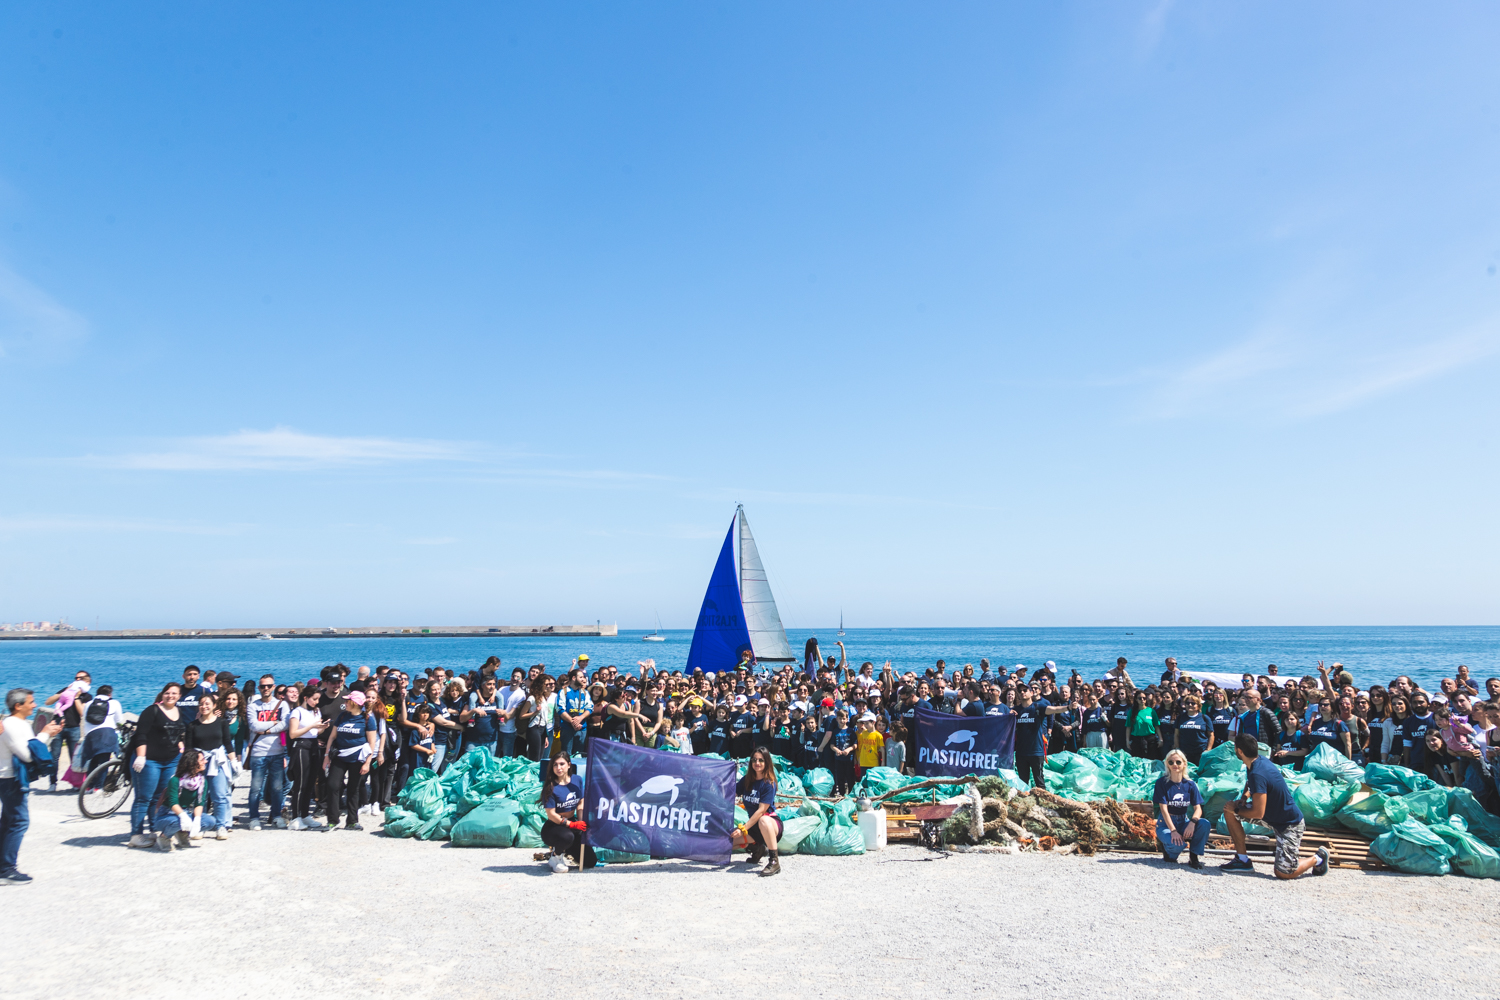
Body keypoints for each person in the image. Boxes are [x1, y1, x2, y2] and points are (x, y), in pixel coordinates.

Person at [1220, 733, 1328, 878]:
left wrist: (1238, 809)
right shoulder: (1255, 762)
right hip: (1272, 816)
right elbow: (1250, 784)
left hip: (1289, 825)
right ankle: (1242, 860)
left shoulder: (1258, 772)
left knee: (1283, 873)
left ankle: (1318, 858)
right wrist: (1244, 798)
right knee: (1229, 811)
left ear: (1240, 751)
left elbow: (1258, 813)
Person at [2, 689, 64, 884]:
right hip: (10, 778)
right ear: (18, 706)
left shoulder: (18, 724)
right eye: (31, 702)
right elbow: (28, 755)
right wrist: (45, 733)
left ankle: (3, 864)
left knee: (8, 821)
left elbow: (34, 748)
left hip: (10, 777)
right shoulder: (11, 725)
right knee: (19, 822)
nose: (35, 705)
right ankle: (6, 869)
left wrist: (49, 734)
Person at [128, 683, 186, 849]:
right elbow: (141, 734)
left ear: (179, 696)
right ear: (162, 694)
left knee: (159, 798)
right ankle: (136, 834)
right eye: (167, 693)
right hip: (150, 760)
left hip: (170, 760)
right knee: (143, 798)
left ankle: (154, 829)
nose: (170, 696)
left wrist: (180, 746)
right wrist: (140, 756)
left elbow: (177, 732)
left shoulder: (178, 711)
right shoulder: (152, 710)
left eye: (174, 693)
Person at [323, 690, 378, 831]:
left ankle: (352, 821)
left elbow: (372, 742)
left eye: (348, 701)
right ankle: (333, 820)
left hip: (357, 758)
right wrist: (326, 756)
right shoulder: (342, 716)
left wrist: (367, 763)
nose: (345, 703)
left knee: (353, 789)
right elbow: (332, 737)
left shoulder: (367, 719)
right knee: (332, 785)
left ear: (355, 703)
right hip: (340, 756)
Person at [153, 749, 228, 850]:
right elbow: (173, 802)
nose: (205, 761)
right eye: (202, 760)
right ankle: (164, 837)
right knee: (178, 821)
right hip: (166, 815)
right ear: (192, 763)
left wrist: (196, 820)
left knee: (210, 821)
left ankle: (182, 833)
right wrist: (183, 817)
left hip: (185, 811)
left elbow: (199, 803)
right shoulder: (175, 780)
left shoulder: (201, 781)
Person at [186, 693, 237, 836]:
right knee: (198, 795)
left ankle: (221, 825)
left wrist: (234, 762)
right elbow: (189, 748)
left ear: (214, 706)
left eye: (207, 704)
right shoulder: (192, 725)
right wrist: (190, 765)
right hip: (199, 763)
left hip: (217, 761)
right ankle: (200, 825)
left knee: (219, 795)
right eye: (201, 704)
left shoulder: (221, 723)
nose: (204, 707)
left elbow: (227, 743)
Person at [245, 675, 289, 830]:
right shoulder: (252, 706)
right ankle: (254, 818)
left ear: (273, 687)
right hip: (258, 752)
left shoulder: (282, 705)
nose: (265, 689)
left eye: (268, 686)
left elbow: (285, 724)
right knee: (255, 787)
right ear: (259, 688)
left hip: (277, 751)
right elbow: (253, 725)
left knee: (277, 787)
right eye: (263, 686)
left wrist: (266, 729)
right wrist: (272, 724)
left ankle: (276, 815)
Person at [1153, 749, 1208, 868]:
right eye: (1171, 762)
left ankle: (1194, 857)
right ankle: (1168, 850)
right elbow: (1163, 809)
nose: (1174, 765)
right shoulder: (1161, 783)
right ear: (1167, 764)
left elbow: (1198, 808)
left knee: (1204, 824)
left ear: (1184, 764)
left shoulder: (1190, 784)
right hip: (1166, 824)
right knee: (1177, 848)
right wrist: (1173, 831)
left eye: (1178, 762)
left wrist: (1192, 823)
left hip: (1184, 821)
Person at [538, 753, 591, 873]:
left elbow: (580, 803)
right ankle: (556, 856)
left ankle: (567, 849)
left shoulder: (577, 780)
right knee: (567, 836)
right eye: (555, 765)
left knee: (589, 861)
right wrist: (571, 825)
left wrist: (581, 822)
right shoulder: (550, 787)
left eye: (562, 764)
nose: (559, 768)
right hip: (554, 827)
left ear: (569, 765)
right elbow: (551, 814)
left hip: (572, 823)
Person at [287, 688, 329, 830]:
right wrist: (312, 725)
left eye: (318, 699)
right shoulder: (297, 712)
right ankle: (295, 817)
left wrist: (322, 728)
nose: (317, 702)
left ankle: (305, 814)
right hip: (300, 746)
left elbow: (315, 732)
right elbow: (293, 734)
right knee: (301, 783)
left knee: (311, 782)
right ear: (306, 697)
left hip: (313, 745)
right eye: (315, 699)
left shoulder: (316, 711)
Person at [737, 747, 782, 877]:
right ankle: (757, 848)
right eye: (754, 760)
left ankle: (774, 861)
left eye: (761, 760)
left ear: (767, 762)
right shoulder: (747, 780)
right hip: (754, 827)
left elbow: (762, 810)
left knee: (763, 819)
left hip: (769, 824)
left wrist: (743, 829)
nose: (757, 763)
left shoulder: (769, 783)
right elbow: (730, 793)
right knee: (727, 842)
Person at [43, 670, 90, 790]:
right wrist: (64, 692)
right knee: (54, 756)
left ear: (87, 681)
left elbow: (82, 713)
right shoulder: (66, 690)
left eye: (81, 678)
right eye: (76, 678)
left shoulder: (87, 696)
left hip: (74, 728)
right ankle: (52, 783)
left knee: (74, 758)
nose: (77, 680)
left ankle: (75, 783)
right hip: (57, 726)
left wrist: (77, 697)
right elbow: (48, 702)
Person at [1173, 694, 1214, 765]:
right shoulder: (1180, 717)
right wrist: (1177, 748)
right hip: (1185, 752)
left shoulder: (1204, 718)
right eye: (1187, 703)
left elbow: (1211, 735)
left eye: (1193, 703)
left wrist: (1208, 750)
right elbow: (1176, 734)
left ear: (1198, 705)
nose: (1190, 705)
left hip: (1200, 752)